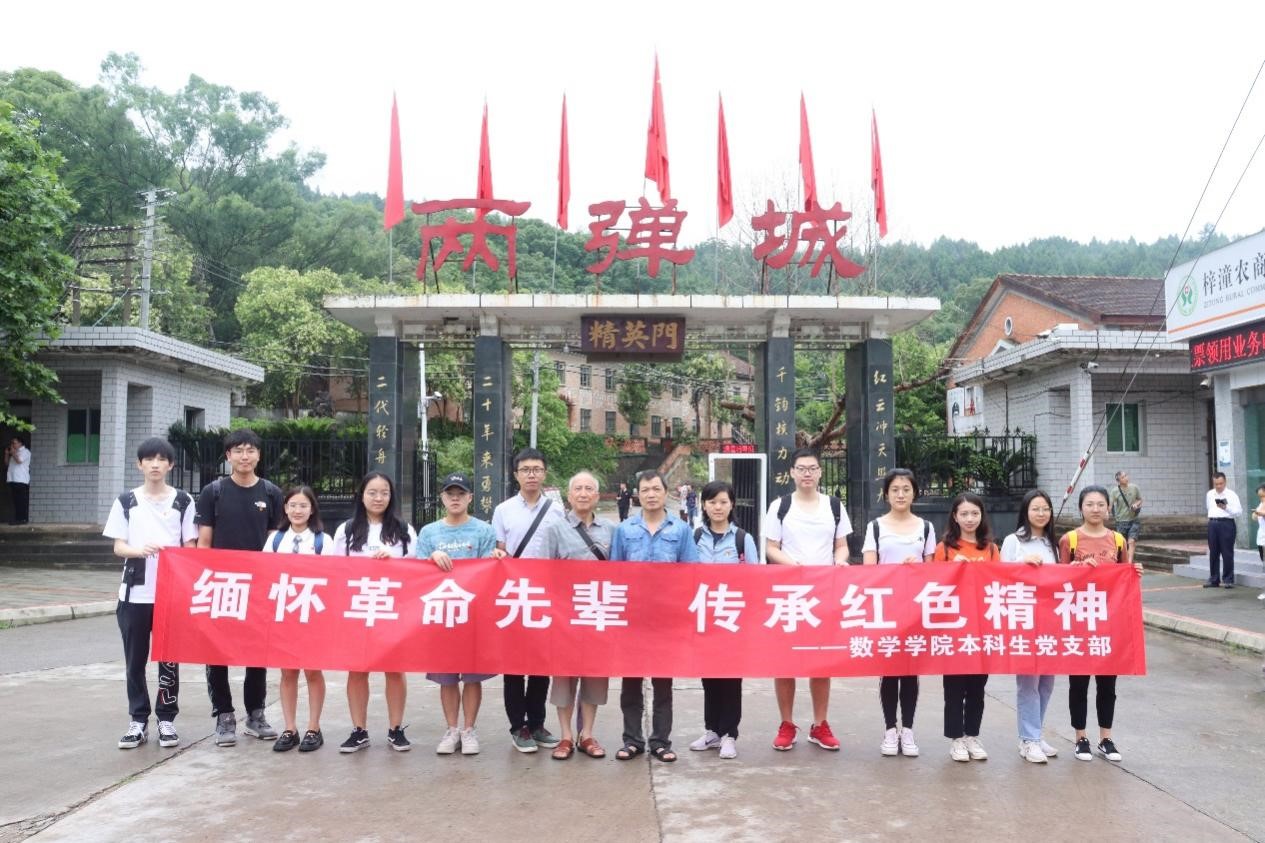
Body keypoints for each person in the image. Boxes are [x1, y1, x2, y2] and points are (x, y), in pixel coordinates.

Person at [103, 437, 197, 749]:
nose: (155, 465)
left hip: (170, 593)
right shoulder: (126, 501)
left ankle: (166, 719)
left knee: (169, 658)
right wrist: (139, 550)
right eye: (149, 459)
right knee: (135, 660)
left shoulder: (183, 500)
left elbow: (190, 545)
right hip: (134, 592)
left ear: (171, 465)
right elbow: (118, 546)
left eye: (161, 459)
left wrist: (179, 561)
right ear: (139, 464)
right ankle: (138, 720)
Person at [195, 428, 284, 746]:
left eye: (250, 450)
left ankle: (255, 715)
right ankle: (224, 715)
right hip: (222, 586)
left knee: (257, 652)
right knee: (216, 651)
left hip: (259, 588)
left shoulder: (271, 493)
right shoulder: (214, 492)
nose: (244, 456)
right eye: (238, 451)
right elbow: (204, 542)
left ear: (258, 455)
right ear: (228, 456)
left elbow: (275, 543)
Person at [765, 447, 852, 752]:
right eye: (801, 468)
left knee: (821, 661)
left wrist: (840, 561)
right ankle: (786, 724)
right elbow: (771, 547)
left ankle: (820, 724)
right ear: (792, 472)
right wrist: (794, 567)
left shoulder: (834, 506)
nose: (807, 473)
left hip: (824, 592)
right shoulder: (780, 506)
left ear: (819, 472)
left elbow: (841, 545)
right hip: (788, 593)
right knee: (784, 661)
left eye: (812, 468)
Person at [610, 469, 699, 762]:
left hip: (666, 619)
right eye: (645, 490)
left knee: (663, 684)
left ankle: (661, 741)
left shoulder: (681, 530)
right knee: (631, 684)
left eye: (656, 489)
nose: (651, 495)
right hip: (632, 619)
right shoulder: (624, 530)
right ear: (638, 494)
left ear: (665, 493)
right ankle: (632, 740)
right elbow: (614, 573)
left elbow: (691, 572)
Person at [332, 471, 417, 753]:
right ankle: (359, 730)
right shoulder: (346, 530)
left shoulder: (404, 530)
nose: (378, 498)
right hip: (357, 610)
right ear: (361, 495)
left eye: (384, 493)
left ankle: (396, 729)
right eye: (372, 492)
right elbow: (335, 572)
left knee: (395, 670)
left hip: (393, 610)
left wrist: (393, 561)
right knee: (358, 670)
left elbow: (417, 571)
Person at [418, 473, 503, 756]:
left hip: (474, 614)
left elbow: (488, 569)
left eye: (461, 494)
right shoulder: (429, 532)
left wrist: (496, 559)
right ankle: (451, 729)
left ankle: (469, 730)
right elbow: (416, 572)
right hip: (441, 613)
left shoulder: (483, 531)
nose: (455, 499)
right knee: (447, 677)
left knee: (472, 676)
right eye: (450, 494)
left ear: (470, 498)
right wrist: (431, 558)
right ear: (442, 498)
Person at [1059, 484, 1143, 762]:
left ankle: (1106, 738)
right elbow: (1056, 580)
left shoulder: (1118, 540)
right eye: (1089, 504)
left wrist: (1134, 571)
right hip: (1079, 622)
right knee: (1078, 683)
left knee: (1108, 685)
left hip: (1109, 623)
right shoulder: (1070, 540)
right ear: (1080, 508)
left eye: (1100, 504)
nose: (1095, 509)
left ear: (1109, 508)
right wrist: (1073, 571)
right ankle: (1080, 738)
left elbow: (1123, 578)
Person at [492, 447, 564, 753]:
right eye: (525, 470)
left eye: (536, 469)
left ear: (544, 473)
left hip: (546, 595)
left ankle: (536, 723)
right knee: (513, 665)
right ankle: (517, 727)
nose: (531, 474)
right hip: (514, 595)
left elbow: (562, 550)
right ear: (516, 475)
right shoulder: (503, 510)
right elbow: (499, 549)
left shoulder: (557, 510)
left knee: (540, 663)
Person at [540, 471, 615, 761]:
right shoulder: (554, 530)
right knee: (564, 679)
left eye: (589, 489)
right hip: (565, 617)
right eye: (578, 489)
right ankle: (566, 736)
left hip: (598, 614)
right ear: (569, 496)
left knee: (594, 677)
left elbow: (620, 572)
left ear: (597, 495)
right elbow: (544, 573)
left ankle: (588, 734)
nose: (583, 493)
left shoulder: (610, 530)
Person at [861, 468, 934, 758]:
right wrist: (893, 572)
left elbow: (932, 570)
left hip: (915, 609)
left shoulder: (925, 527)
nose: (900, 494)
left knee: (911, 671)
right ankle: (890, 729)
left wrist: (917, 570)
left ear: (914, 493)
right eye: (895, 490)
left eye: (906, 489)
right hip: (887, 608)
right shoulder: (876, 527)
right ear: (886, 494)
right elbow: (869, 570)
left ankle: (909, 730)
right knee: (890, 671)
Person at [688, 480, 759, 760]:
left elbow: (754, 580)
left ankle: (730, 734)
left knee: (730, 678)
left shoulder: (742, 539)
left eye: (723, 502)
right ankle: (712, 731)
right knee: (709, 677)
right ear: (704, 505)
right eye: (712, 502)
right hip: (704, 619)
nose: (718, 507)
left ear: (732, 505)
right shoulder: (695, 537)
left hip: (733, 620)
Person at [262, 486, 333, 753]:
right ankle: (290, 728)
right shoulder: (275, 540)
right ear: (285, 508)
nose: (297, 510)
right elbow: (264, 573)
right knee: (288, 672)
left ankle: (314, 728)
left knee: (313, 671)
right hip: (283, 615)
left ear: (312, 509)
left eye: (303, 505)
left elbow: (332, 577)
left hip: (312, 614)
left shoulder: (323, 541)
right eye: (292, 505)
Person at [933, 492, 998, 762]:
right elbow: (933, 586)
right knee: (954, 687)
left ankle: (972, 735)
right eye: (964, 514)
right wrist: (952, 569)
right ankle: (956, 738)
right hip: (954, 629)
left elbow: (1001, 584)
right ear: (955, 517)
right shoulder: (945, 549)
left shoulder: (991, 549)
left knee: (977, 687)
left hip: (982, 628)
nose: (970, 519)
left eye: (974, 513)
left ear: (982, 516)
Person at [1000, 489, 1061, 764]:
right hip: (1024, 620)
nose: (1041, 513)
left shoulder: (1052, 544)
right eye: (1035, 508)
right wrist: (1021, 563)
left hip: (1050, 621)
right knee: (1028, 683)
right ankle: (1028, 739)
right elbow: (999, 576)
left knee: (1046, 683)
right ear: (1025, 511)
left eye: (1045, 509)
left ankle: (1035, 733)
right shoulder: (1013, 541)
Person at [1205, 472, 1243, 588]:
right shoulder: (1210, 494)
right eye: (1216, 484)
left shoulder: (1231, 495)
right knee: (1213, 552)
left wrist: (1226, 507)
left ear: (1225, 482)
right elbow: (1209, 507)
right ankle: (1214, 579)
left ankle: (1228, 579)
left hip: (1226, 523)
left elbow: (1239, 512)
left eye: (1221, 483)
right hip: (1213, 524)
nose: (1218, 486)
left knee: (1227, 552)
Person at [1108, 470, 1143, 559]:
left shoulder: (1134, 487)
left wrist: (1136, 504)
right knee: (1122, 544)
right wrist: (1107, 513)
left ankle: (1129, 563)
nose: (1126, 478)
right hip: (1121, 522)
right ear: (1118, 481)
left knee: (1131, 542)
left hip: (1134, 520)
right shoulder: (1114, 491)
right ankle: (1123, 560)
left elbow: (1140, 499)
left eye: (1126, 475)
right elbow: (1110, 505)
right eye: (1123, 477)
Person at [6, 436, 30, 524]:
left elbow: (19, 461)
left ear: (20, 443)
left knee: (21, 501)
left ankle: (22, 519)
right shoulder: (14, 452)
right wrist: (7, 454)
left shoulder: (25, 452)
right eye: (12, 443)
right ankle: (18, 519)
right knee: (16, 501)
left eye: (14, 443)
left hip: (21, 480)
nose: (12, 445)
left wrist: (13, 453)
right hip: (12, 479)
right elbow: (7, 463)